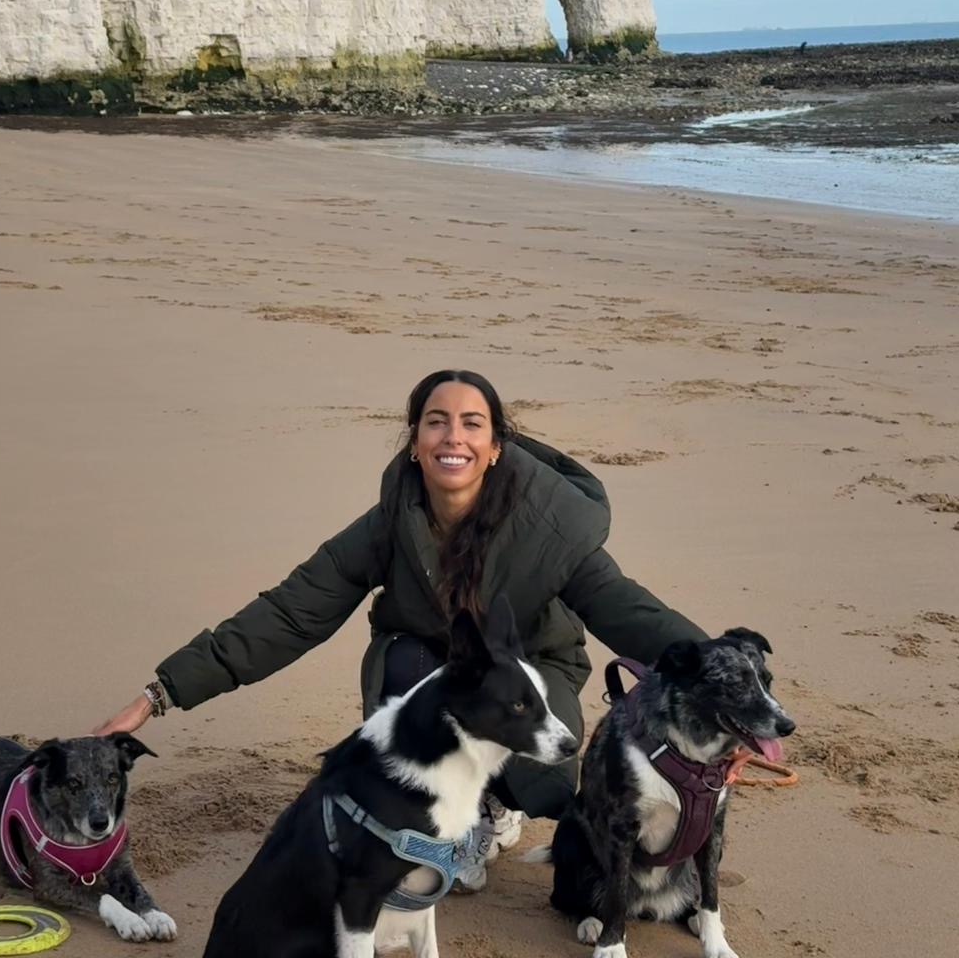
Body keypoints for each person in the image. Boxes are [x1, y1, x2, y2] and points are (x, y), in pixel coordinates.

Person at [94, 369, 705, 889]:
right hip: (428, 672)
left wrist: (717, 677)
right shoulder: (389, 523)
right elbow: (290, 611)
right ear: (415, 441)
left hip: (531, 671)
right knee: (410, 667)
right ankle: (446, 819)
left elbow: (625, 608)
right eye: (436, 421)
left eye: (472, 423)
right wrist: (161, 694)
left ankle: (492, 803)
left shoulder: (550, 526)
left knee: (537, 746)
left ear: (495, 446)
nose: (453, 436)